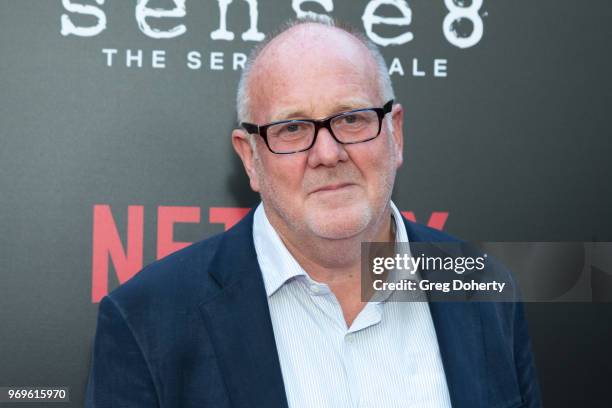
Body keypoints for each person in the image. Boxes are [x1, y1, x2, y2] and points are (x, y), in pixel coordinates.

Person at [85, 16, 541, 408]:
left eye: (351, 119)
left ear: (395, 134)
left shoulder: (481, 288)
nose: (327, 153)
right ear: (250, 158)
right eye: (292, 128)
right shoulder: (145, 320)